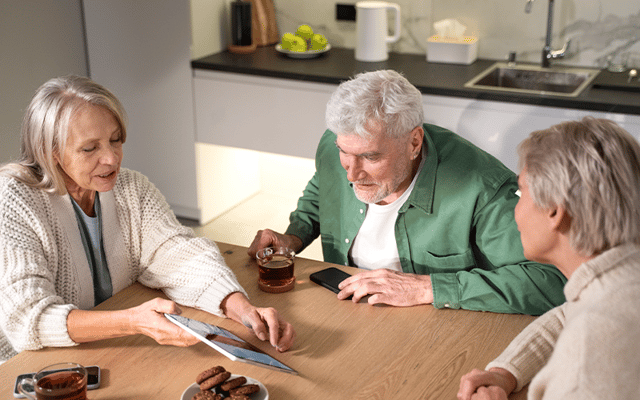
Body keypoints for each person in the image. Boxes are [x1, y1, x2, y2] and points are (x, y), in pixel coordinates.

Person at [0, 75, 294, 363]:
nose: (112, 159)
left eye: (115, 140)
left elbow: (180, 255)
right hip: (32, 365)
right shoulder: (13, 200)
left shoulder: (131, 188)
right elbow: (27, 317)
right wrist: (133, 321)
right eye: (90, 148)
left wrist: (242, 309)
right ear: (51, 153)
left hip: (112, 354)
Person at [248, 69, 566, 315]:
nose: (352, 172)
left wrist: (426, 288)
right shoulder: (339, 149)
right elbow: (323, 190)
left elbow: (551, 282)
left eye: (371, 157)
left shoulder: (482, 188)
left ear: (414, 142)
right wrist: (294, 237)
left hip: (436, 328)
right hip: (348, 312)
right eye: (344, 152)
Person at [458, 117, 640, 400]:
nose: (515, 210)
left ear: (555, 211)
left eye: (520, 192)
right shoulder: (622, 278)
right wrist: (505, 372)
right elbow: (567, 315)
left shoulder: (586, 362)